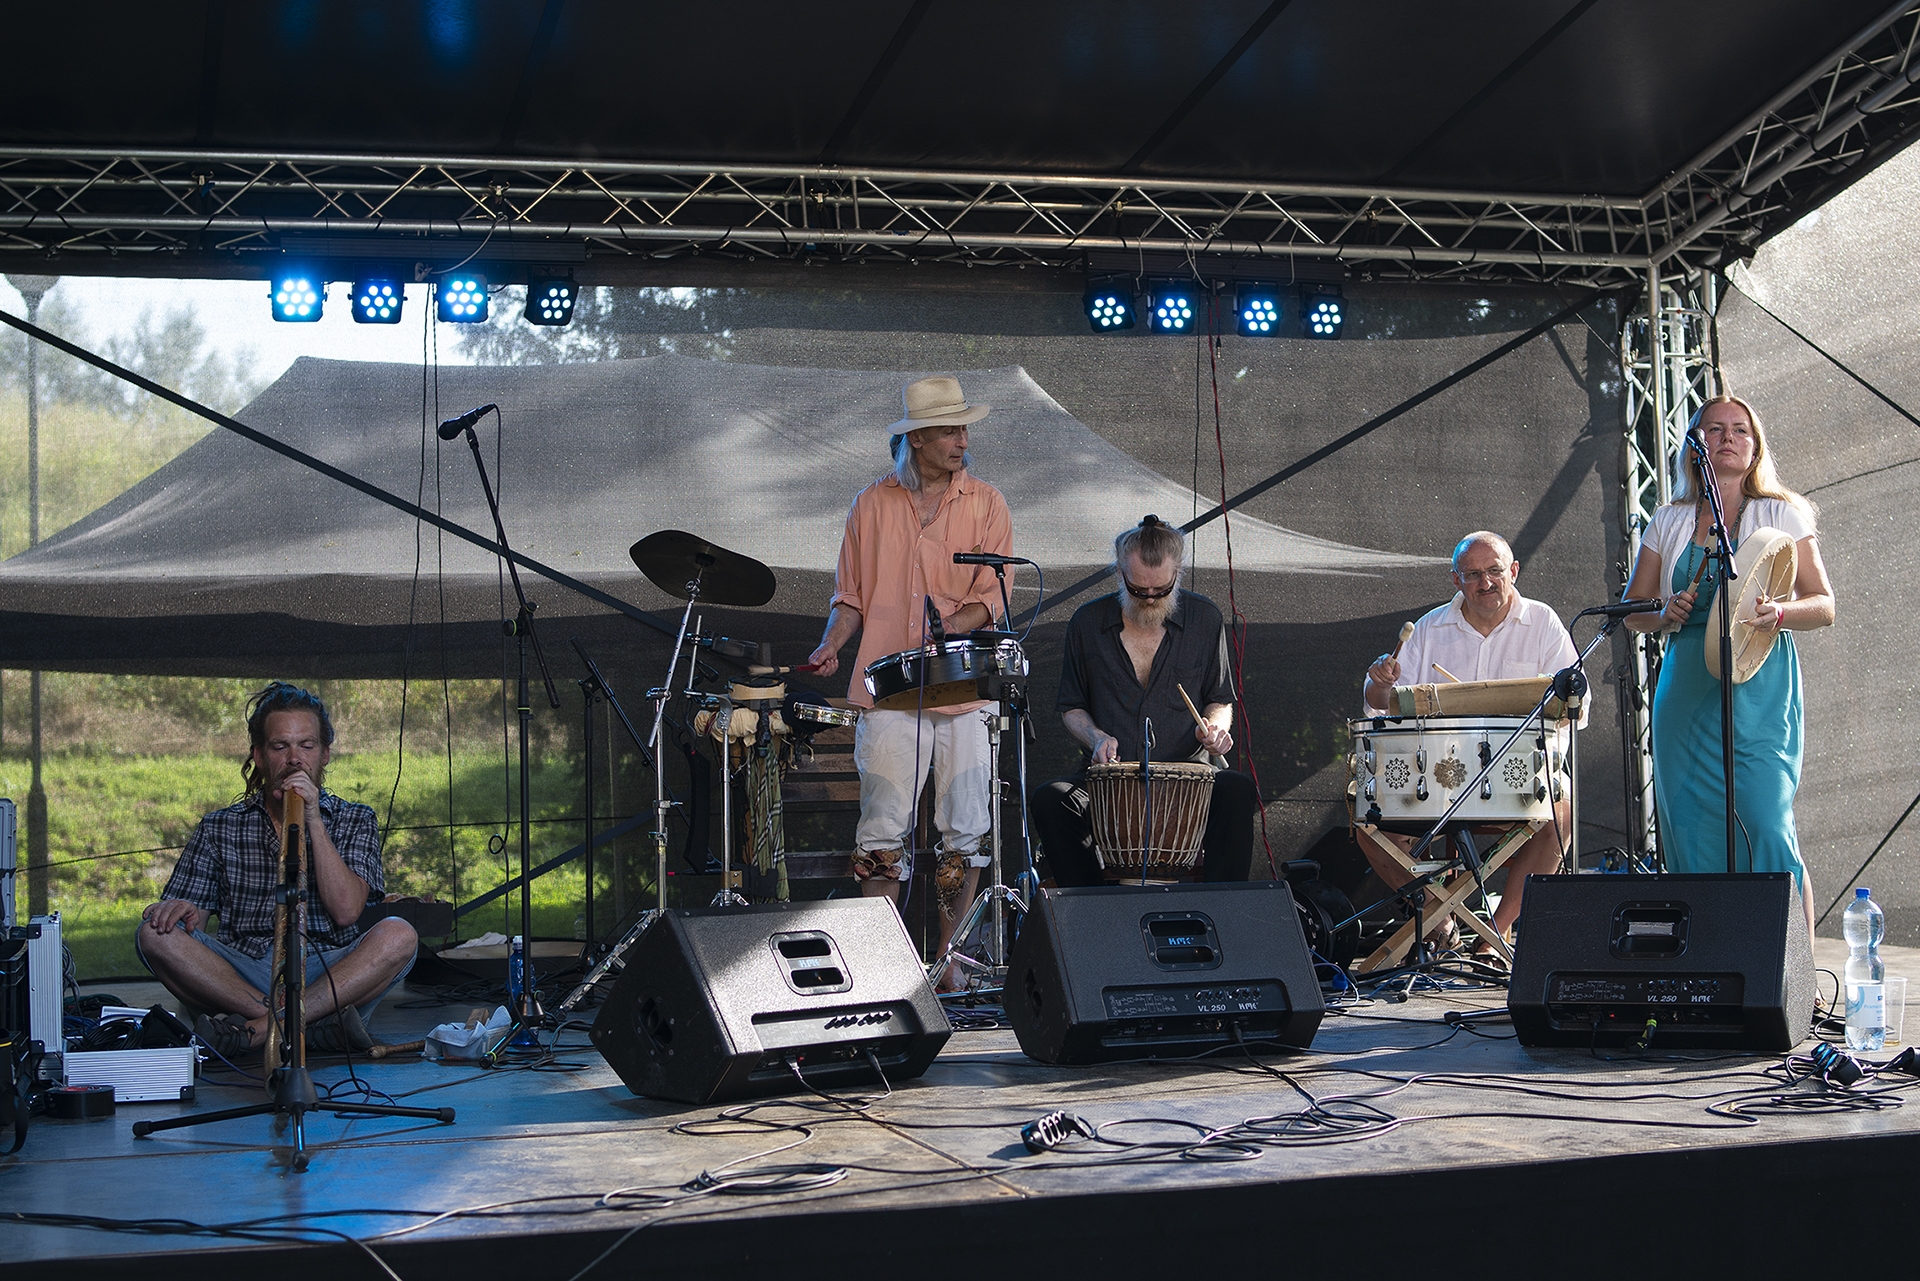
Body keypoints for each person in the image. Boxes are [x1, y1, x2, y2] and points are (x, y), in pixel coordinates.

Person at [808, 375, 1014, 982]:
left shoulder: (987, 503)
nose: (963, 441)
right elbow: (850, 598)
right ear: (917, 438)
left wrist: (952, 624)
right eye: (951, 430)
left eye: (964, 429)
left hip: (964, 688)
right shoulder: (869, 505)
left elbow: (993, 597)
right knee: (881, 831)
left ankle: (950, 963)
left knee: (966, 831)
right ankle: (885, 968)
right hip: (889, 692)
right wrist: (831, 643)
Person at [1621, 395, 1833, 941]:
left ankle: (1795, 973)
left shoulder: (1782, 511)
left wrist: (1778, 613)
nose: (1727, 438)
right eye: (1713, 429)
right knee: (1692, 826)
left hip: (1760, 680)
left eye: (1740, 429)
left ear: (1755, 446)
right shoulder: (1668, 518)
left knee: (1766, 821)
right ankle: (1712, 963)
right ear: (1694, 446)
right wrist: (1663, 611)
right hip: (1687, 684)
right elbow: (1631, 612)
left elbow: (1824, 605)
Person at [135, 682, 417, 1056]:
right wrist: (181, 912)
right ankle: (305, 1027)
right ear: (259, 755)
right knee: (153, 934)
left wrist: (313, 819)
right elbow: (193, 931)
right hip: (244, 975)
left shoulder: (355, 818)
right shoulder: (220, 826)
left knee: (400, 934)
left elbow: (347, 911)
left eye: (307, 746)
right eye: (280, 746)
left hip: (327, 975)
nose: (295, 759)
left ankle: (254, 1031)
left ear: (325, 754)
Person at [1361, 531, 1582, 953]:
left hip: (1519, 775)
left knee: (1561, 813)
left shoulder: (1542, 622)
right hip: (1440, 778)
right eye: (1473, 574)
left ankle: (1493, 938)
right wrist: (1380, 683)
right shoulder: (1429, 628)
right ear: (1456, 579)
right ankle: (1442, 920)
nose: (1486, 582)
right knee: (1370, 824)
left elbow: (1575, 707)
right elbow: (1379, 706)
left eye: (1494, 571)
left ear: (1513, 571)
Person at [1031, 516, 1256, 885]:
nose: (1150, 598)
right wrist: (1096, 738)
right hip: (1110, 781)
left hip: (1190, 778)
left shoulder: (1205, 619)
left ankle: (1223, 909)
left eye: (1161, 590)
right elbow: (1072, 706)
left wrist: (1215, 728)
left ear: (1178, 573)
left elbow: (1220, 700)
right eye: (1138, 590)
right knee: (1050, 799)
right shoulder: (1087, 623)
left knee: (1237, 790)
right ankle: (1092, 909)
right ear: (1120, 573)